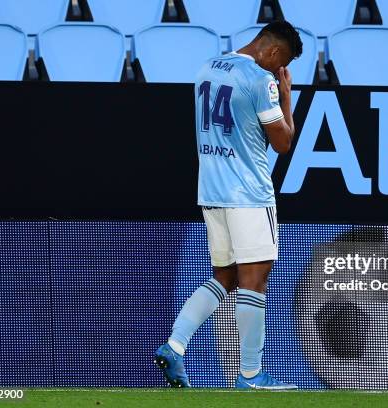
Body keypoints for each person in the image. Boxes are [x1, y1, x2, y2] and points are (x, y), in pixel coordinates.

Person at [154, 21, 303, 390]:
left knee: (226, 276)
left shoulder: (208, 67)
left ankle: (175, 344)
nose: (277, 70)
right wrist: (286, 95)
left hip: (212, 192)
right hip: (249, 195)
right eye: (279, 62)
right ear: (271, 51)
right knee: (254, 281)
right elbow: (283, 143)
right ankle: (251, 374)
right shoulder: (261, 79)